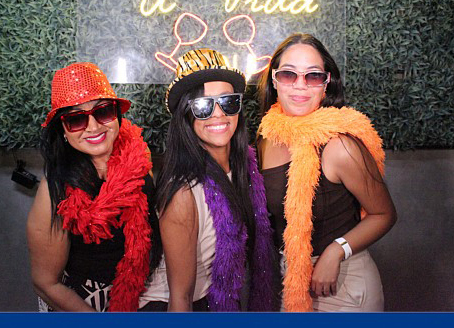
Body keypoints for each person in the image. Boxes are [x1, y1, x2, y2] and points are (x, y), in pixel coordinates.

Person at [257, 33, 396, 312]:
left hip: (342, 285)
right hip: (289, 282)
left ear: (326, 83)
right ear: (274, 80)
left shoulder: (340, 146)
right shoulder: (266, 137)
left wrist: (336, 250)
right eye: (288, 74)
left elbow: (384, 215)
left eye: (313, 76)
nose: (300, 85)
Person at [141, 48, 277, 312]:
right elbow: (180, 298)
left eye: (228, 102)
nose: (218, 114)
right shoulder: (183, 192)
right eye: (202, 106)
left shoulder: (246, 167)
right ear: (186, 116)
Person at [27, 61, 157, 313]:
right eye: (76, 119)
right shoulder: (54, 189)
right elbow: (45, 283)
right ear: (63, 130)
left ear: (117, 115)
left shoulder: (140, 157)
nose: (94, 127)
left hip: (144, 292)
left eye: (103, 112)